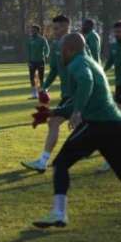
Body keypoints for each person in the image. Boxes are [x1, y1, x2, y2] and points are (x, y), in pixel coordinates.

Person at [32, 33, 121, 228]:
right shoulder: (88, 61)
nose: (60, 53)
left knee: (61, 163)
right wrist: (53, 112)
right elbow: (81, 96)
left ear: (69, 49)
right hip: (114, 123)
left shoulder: (77, 64)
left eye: (62, 49)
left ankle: (59, 213)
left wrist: (78, 112)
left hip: (97, 124)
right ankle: (58, 213)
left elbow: (86, 83)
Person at [22, 15, 73, 173]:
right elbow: (54, 70)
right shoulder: (56, 45)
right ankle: (43, 162)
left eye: (57, 28)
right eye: (53, 28)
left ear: (66, 28)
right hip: (68, 95)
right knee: (53, 122)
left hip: (80, 95)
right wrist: (44, 87)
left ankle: (112, 156)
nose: (54, 31)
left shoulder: (76, 44)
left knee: (92, 130)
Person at [26, 25, 50, 99]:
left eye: (34, 30)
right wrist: (28, 60)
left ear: (37, 31)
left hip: (40, 61)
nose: (32, 31)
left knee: (41, 78)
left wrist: (46, 55)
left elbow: (47, 48)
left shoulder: (42, 39)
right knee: (32, 77)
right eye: (31, 30)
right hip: (32, 61)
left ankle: (43, 92)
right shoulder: (30, 40)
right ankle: (34, 94)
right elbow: (28, 51)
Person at [104, 21, 121, 107]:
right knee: (118, 106)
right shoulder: (113, 46)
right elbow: (110, 62)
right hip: (118, 82)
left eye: (119, 32)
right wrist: (101, 71)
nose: (116, 34)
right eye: (115, 32)